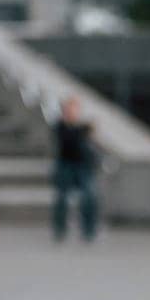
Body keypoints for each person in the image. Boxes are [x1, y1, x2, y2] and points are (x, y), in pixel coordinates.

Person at [52, 95, 99, 242]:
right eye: (70, 109)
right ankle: (60, 229)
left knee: (90, 196)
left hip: (83, 166)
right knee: (62, 198)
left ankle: (89, 230)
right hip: (65, 165)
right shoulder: (61, 126)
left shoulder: (81, 128)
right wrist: (83, 130)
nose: (72, 112)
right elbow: (68, 142)